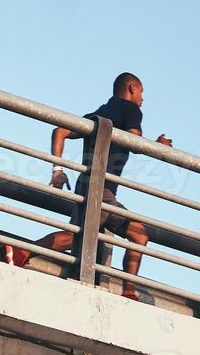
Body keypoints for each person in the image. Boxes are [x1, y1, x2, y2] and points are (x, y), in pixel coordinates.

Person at [24, 72, 172, 303]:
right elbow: (135, 143)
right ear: (132, 88)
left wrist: (58, 170)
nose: (143, 98)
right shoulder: (131, 110)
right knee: (81, 238)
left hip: (88, 187)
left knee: (132, 235)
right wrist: (158, 147)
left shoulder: (98, 114)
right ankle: (22, 251)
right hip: (102, 191)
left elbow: (59, 131)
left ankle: (129, 290)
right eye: (142, 92)